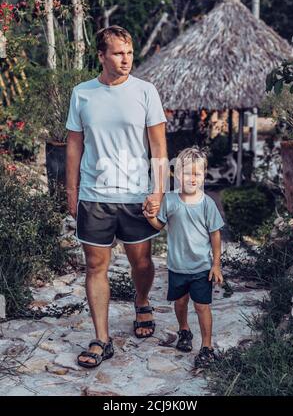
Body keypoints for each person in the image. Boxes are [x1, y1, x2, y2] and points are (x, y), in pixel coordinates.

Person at [65, 25, 167, 368]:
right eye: (118, 53)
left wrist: (159, 190)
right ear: (101, 56)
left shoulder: (145, 91)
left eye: (129, 52)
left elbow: (158, 147)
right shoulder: (82, 93)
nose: (126, 60)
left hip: (136, 194)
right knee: (95, 265)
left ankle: (141, 301)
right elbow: (74, 144)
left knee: (141, 262)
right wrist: (71, 190)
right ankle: (101, 339)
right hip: (94, 195)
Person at [144, 146, 224, 367]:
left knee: (202, 306)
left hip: (201, 267)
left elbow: (215, 235)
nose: (192, 178)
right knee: (180, 303)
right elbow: (159, 225)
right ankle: (184, 330)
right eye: (187, 173)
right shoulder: (169, 201)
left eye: (197, 174)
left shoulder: (207, 204)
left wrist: (216, 264)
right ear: (178, 175)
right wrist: (149, 216)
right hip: (177, 267)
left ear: (203, 176)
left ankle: (206, 346)